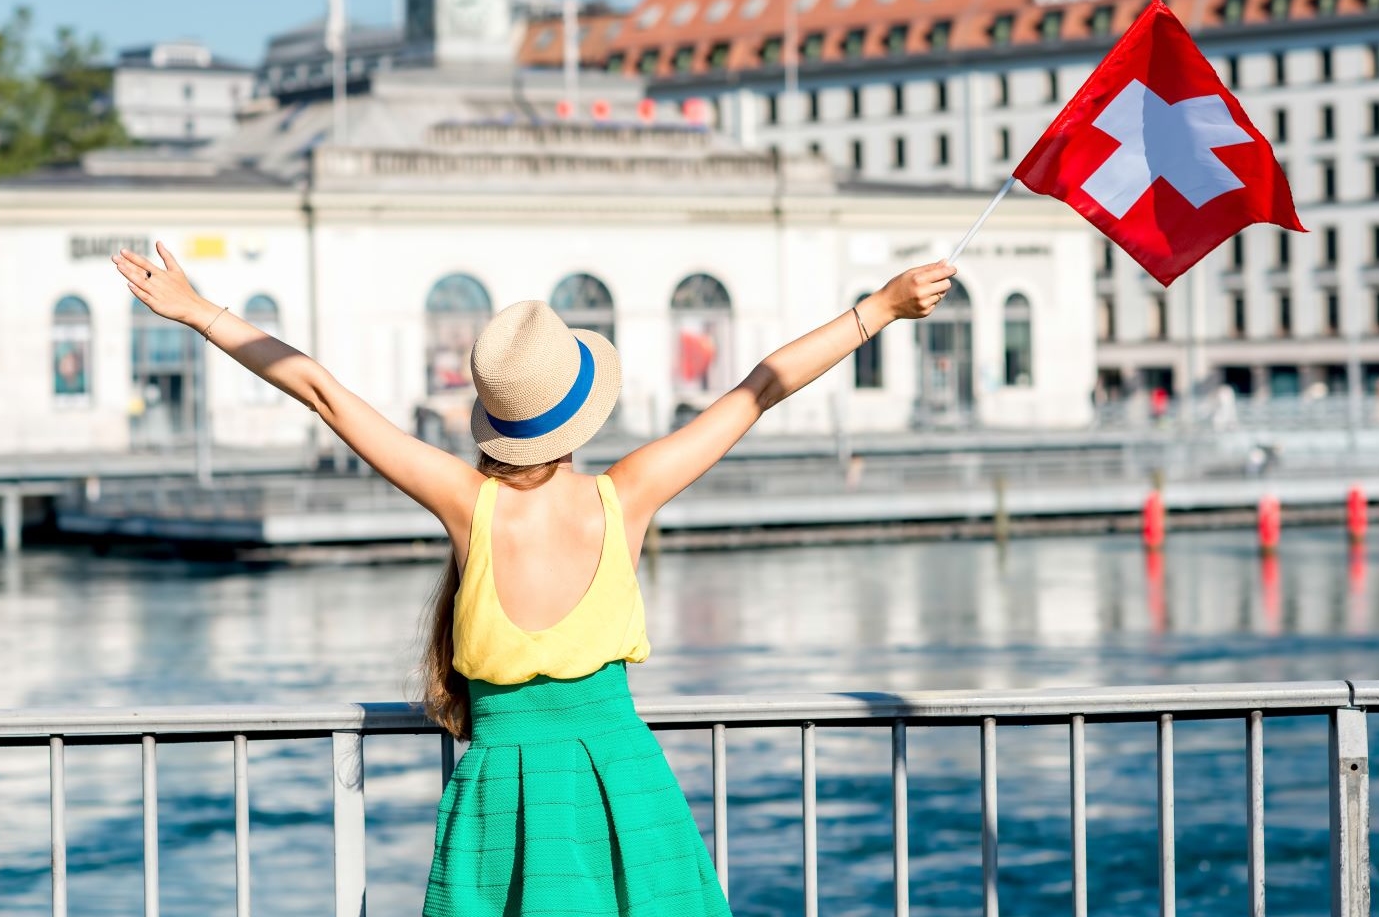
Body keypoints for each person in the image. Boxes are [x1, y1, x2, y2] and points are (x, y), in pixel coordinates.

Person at [112, 242, 956, 916]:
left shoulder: (466, 504)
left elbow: (323, 394)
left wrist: (198, 312)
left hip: (502, 798)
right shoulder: (625, 495)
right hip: (624, 787)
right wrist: (877, 308)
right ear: (580, 406)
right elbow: (756, 390)